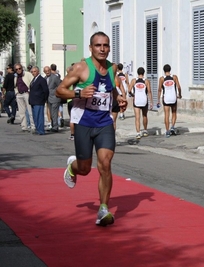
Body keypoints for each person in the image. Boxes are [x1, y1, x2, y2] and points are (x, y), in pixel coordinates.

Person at [55, 31, 127, 226]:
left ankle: (103, 209)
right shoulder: (81, 68)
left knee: (105, 163)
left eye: (105, 45)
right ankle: (73, 166)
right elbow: (59, 90)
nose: (102, 49)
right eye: (98, 45)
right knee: (85, 168)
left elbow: (110, 89)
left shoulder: (112, 68)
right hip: (84, 123)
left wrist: (118, 98)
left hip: (104, 123)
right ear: (91, 48)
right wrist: (78, 92)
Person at [157, 64, 182, 137]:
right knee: (174, 113)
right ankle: (172, 127)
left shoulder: (162, 79)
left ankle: (167, 131)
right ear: (170, 70)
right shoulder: (174, 77)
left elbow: (159, 90)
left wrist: (158, 99)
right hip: (173, 97)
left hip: (166, 98)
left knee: (166, 115)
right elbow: (179, 87)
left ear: (164, 71)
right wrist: (179, 94)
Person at [129, 67, 153, 139]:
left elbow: (129, 90)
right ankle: (145, 130)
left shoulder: (133, 80)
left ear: (137, 73)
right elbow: (149, 91)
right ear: (143, 73)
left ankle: (138, 133)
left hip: (136, 100)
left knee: (137, 117)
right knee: (145, 115)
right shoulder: (146, 81)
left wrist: (133, 95)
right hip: (144, 100)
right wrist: (151, 102)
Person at [14, 63, 35, 132]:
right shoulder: (16, 77)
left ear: (22, 68)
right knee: (21, 112)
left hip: (26, 93)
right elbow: (15, 86)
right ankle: (24, 126)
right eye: (16, 69)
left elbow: (33, 82)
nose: (18, 70)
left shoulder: (27, 74)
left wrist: (29, 91)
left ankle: (33, 126)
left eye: (19, 68)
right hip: (19, 95)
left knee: (30, 111)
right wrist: (16, 93)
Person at [29, 66, 49, 135]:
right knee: (35, 116)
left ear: (38, 71)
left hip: (39, 100)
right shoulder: (34, 79)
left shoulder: (41, 79)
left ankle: (41, 130)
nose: (33, 73)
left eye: (34, 71)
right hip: (33, 101)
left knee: (39, 116)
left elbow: (46, 90)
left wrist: (44, 99)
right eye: (32, 72)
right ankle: (37, 129)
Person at [44, 66, 62, 132]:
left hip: (55, 97)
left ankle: (55, 127)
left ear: (50, 70)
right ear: (44, 72)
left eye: (48, 70)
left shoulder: (55, 77)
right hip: (48, 98)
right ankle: (53, 125)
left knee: (54, 113)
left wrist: (57, 92)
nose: (47, 72)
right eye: (46, 71)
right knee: (51, 113)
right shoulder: (45, 78)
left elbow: (60, 85)